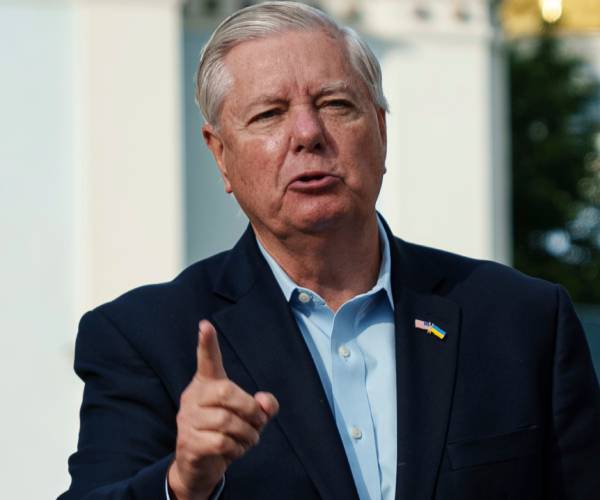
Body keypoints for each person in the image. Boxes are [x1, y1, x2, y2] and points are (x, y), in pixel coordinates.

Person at [59, 2, 600, 499]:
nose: (307, 133)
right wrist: (180, 484)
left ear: (381, 131)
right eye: (269, 114)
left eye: (335, 104)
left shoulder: (523, 320)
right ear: (220, 155)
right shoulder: (143, 338)